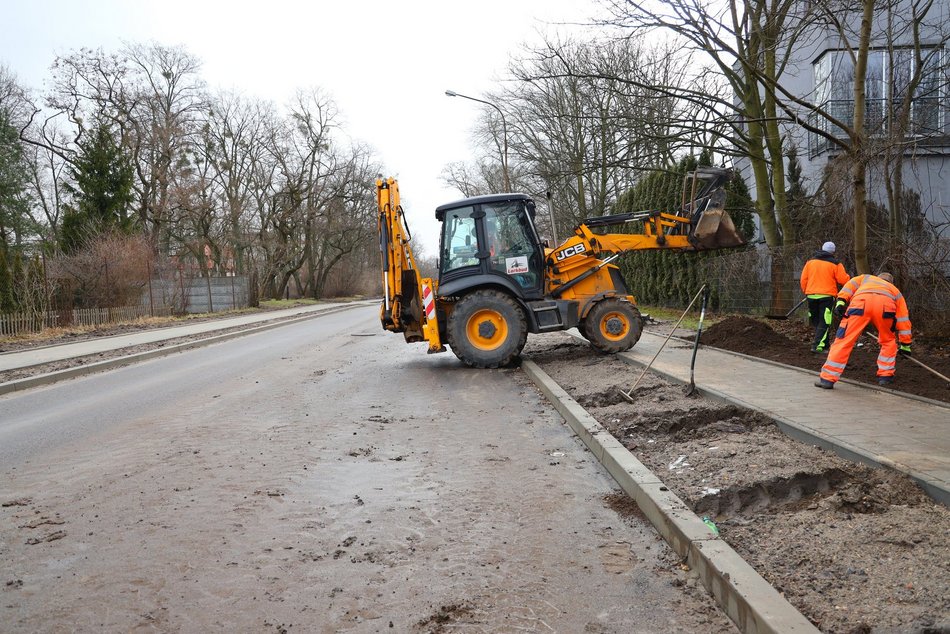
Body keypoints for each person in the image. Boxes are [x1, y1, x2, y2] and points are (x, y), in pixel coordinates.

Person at [814, 272, 912, 389]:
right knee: (888, 341)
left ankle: (827, 379)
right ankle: (885, 377)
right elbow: (903, 320)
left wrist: (841, 302)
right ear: (890, 282)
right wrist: (905, 345)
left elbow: (849, 286)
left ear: (877, 277)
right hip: (885, 308)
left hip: (860, 304)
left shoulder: (865, 278)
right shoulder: (895, 291)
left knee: (844, 340)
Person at [800, 241, 850, 353]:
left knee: (817, 321)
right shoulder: (836, 264)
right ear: (833, 252)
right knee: (824, 321)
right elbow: (843, 280)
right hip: (827, 296)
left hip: (811, 296)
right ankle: (817, 346)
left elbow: (803, 279)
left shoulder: (810, 262)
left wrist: (806, 291)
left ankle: (825, 344)